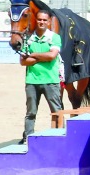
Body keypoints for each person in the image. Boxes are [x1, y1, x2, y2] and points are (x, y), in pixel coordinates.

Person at [18, 9, 62, 143]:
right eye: (39, 19)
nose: (42, 22)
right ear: (36, 21)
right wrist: (43, 57)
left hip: (51, 80)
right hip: (32, 81)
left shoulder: (55, 37)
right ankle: (28, 138)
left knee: (56, 111)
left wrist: (32, 55)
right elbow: (23, 61)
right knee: (30, 112)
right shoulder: (28, 38)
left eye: (44, 20)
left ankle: (59, 136)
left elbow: (52, 56)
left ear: (49, 22)